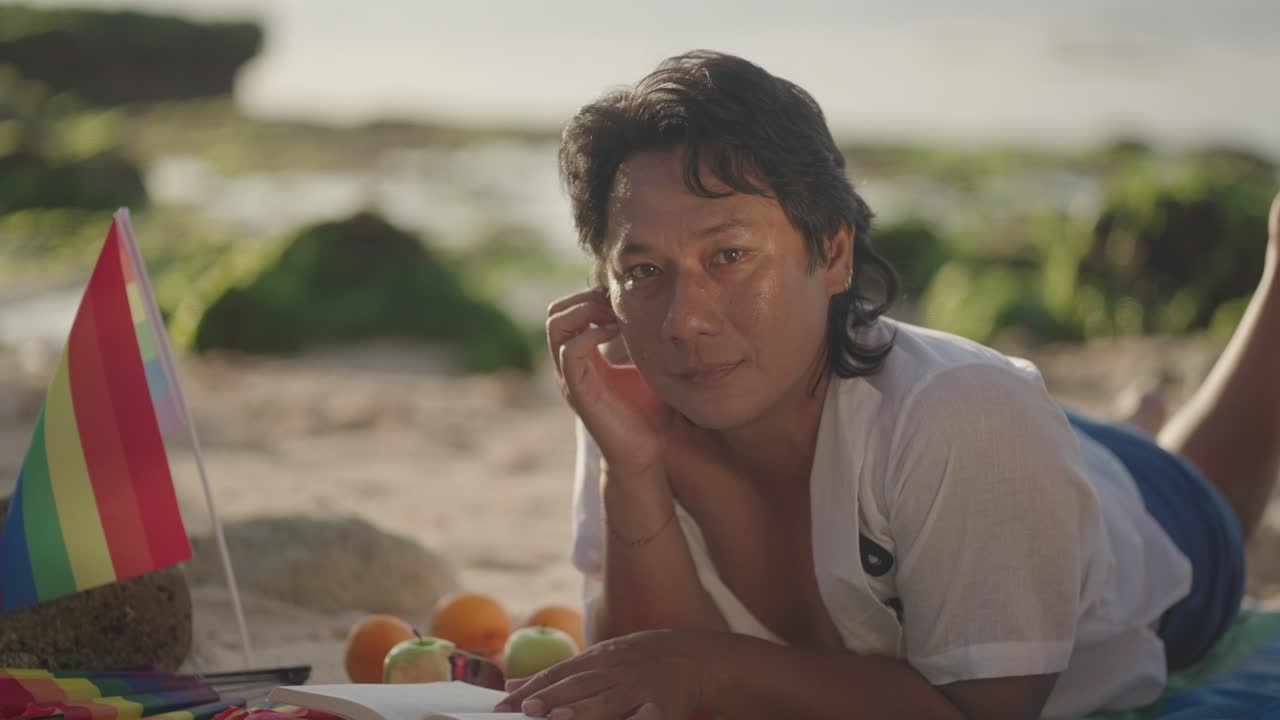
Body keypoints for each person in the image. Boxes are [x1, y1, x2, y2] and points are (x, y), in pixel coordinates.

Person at [495, 51, 1280, 720]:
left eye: (729, 256)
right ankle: (1131, 417)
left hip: (1112, 503)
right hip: (980, 450)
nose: (684, 320)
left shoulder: (967, 416)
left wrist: (711, 668)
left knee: (1204, 490)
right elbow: (643, 674)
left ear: (834, 254)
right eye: (643, 271)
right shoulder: (632, 395)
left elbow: (986, 711)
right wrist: (632, 468)